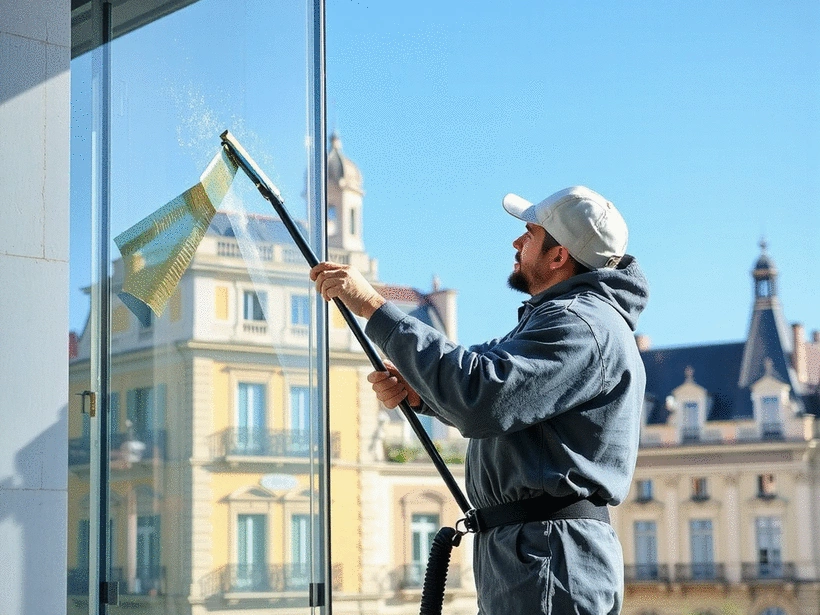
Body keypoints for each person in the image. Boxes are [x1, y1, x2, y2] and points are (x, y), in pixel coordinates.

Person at [310, 186, 649, 615]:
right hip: (533, 554)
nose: (517, 242)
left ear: (558, 255)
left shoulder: (579, 325)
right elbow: (485, 378)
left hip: (546, 557)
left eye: (529, 234)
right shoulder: (559, 318)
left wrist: (376, 308)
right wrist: (422, 396)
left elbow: (483, 395)